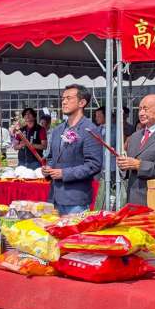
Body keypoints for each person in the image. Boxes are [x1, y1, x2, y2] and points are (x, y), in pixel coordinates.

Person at [42, 84, 103, 215]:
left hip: (76, 199)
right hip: (54, 197)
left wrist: (64, 173)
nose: (64, 101)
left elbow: (94, 165)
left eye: (69, 98)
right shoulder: (58, 130)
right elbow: (52, 157)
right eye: (63, 98)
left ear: (82, 102)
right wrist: (48, 168)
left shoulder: (89, 130)